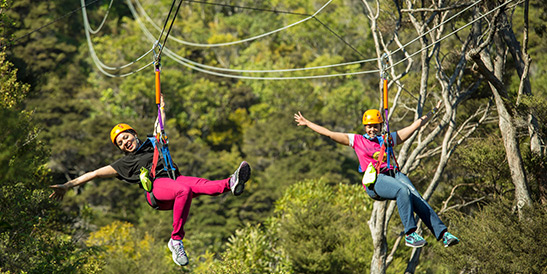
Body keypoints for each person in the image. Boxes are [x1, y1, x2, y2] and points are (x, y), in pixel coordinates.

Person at [50, 97, 251, 266]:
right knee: (183, 190)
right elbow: (93, 174)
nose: (125, 143)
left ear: (134, 134)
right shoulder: (124, 164)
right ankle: (176, 240)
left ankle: (231, 183)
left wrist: (161, 106)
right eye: (120, 143)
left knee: (199, 184)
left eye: (126, 137)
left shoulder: (154, 141)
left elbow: (159, 123)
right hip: (157, 190)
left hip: (174, 179)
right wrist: (66, 186)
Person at [294, 102, 459, 248]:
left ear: (380, 127)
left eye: (375, 126)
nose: (372, 129)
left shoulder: (386, 139)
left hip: (392, 174)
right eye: (369, 126)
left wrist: (433, 111)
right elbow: (329, 133)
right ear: (365, 127)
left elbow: (414, 126)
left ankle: (443, 234)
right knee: (403, 190)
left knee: (417, 198)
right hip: (375, 181)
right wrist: (308, 123)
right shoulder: (357, 140)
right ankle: (410, 234)